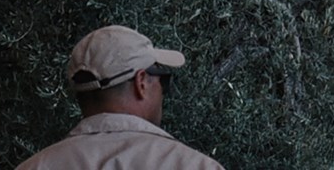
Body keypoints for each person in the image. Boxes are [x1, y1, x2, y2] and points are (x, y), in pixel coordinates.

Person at [14, 25, 226, 170]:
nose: (163, 90)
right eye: (163, 79)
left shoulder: (35, 166)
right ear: (141, 82)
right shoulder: (193, 166)